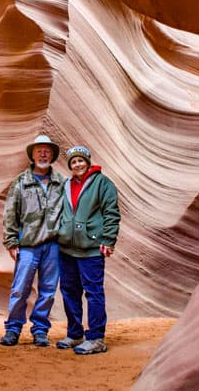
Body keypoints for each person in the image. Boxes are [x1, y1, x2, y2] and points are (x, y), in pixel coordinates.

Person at [0, 134, 66, 347]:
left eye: (47, 151)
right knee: (20, 288)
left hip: (53, 244)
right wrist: (11, 241)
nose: (43, 154)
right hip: (27, 244)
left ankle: (40, 330)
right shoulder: (21, 182)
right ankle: (13, 329)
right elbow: (11, 212)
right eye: (39, 151)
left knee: (47, 290)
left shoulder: (62, 182)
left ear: (52, 155)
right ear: (33, 155)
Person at [56, 145, 120, 354]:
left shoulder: (102, 183)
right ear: (70, 166)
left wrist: (108, 239)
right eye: (74, 162)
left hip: (91, 248)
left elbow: (111, 213)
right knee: (69, 292)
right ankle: (75, 334)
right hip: (66, 248)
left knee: (93, 293)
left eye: (81, 160)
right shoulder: (66, 185)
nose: (78, 165)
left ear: (88, 161)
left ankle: (96, 338)